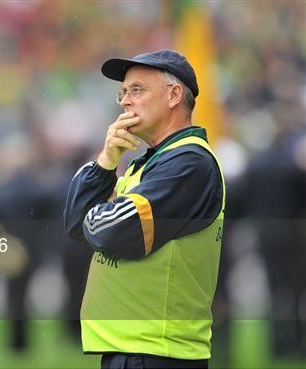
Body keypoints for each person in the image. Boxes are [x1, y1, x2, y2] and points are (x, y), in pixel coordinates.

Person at [63, 49, 225, 369]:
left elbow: (111, 232)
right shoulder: (150, 163)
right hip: (135, 349)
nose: (125, 101)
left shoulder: (189, 161)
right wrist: (107, 160)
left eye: (136, 90)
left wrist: (99, 215)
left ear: (174, 95)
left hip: (158, 353)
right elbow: (74, 222)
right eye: (123, 92)